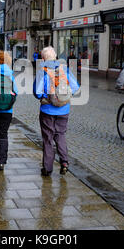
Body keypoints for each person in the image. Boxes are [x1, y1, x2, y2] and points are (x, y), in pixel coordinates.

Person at [33, 47, 80, 177]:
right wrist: (64, 97)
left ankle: (47, 169)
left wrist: (47, 96)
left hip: (47, 110)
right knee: (61, 135)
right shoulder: (64, 68)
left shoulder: (42, 70)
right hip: (64, 110)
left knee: (48, 139)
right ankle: (64, 162)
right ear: (55, 57)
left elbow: (37, 93)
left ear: (43, 58)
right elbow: (75, 87)